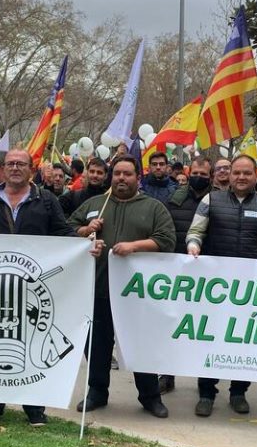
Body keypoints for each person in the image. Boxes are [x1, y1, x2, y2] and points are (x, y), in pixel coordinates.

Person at [0, 149, 75, 426]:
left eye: (20, 164)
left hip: (32, 289)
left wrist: (86, 246)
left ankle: (34, 408)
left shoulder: (46, 201)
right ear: (2, 168)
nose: (15, 168)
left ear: (31, 168)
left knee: (29, 345)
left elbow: (63, 234)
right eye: (10, 163)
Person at [69, 155, 176, 418]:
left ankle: (150, 396)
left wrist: (134, 246)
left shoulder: (153, 207)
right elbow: (67, 231)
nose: (121, 178)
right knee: (98, 344)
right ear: (110, 177)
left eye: (127, 174)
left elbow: (167, 240)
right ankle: (97, 391)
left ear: (138, 177)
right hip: (99, 287)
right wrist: (85, 232)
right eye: (116, 173)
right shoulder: (95, 204)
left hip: (136, 295)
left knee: (140, 344)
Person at [186, 155, 257, 416]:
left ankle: (239, 392)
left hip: (251, 288)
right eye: (236, 172)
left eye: (246, 173)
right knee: (211, 338)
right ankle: (206, 393)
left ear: (256, 176)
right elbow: (196, 231)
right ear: (229, 175)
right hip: (216, 287)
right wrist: (193, 245)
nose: (241, 177)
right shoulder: (211, 200)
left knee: (244, 340)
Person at [160, 156, 214, 394]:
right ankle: (167, 374)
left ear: (210, 176)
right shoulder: (175, 198)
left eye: (204, 174)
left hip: (208, 274)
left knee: (206, 329)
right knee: (173, 325)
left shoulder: (220, 200)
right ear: (190, 172)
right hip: (179, 270)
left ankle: (206, 382)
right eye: (196, 173)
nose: (199, 177)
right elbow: (166, 229)